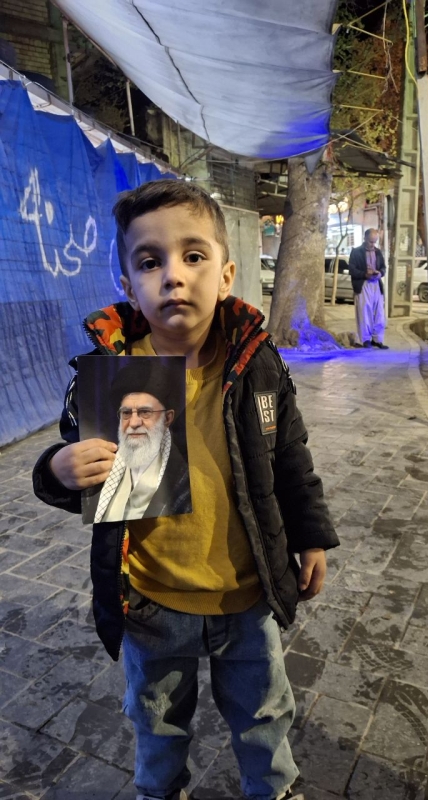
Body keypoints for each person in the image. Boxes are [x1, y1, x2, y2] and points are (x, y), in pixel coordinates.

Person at [32, 179, 339, 800]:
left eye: (193, 256)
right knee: (157, 723)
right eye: (150, 262)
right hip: (151, 601)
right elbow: (75, 468)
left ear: (226, 275)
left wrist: (311, 537)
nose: (173, 275)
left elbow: (291, 458)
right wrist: (59, 470)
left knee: (264, 716)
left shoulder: (257, 363)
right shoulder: (109, 375)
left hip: (247, 596)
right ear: (129, 286)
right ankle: (159, 791)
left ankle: (273, 790)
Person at [91, 361, 191, 523]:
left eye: (145, 412)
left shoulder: (184, 475)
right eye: (126, 413)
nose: (134, 423)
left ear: (167, 418)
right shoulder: (106, 461)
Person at [349, 228, 389, 349]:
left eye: (374, 241)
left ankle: (377, 339)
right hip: (363, 284)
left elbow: (383, 267)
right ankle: (365, 339)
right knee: (364, 312)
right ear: (365, 238)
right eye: (371, 241)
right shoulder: (356, 252)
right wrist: (364, 274)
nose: (372, 244)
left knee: (379, 313)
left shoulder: (378, 252)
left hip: (376, 284)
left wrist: (380, 273)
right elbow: (352, 269)